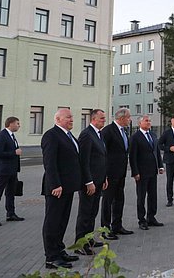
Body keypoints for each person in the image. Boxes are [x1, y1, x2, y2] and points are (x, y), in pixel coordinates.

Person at [41, 108, 82, 269]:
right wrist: (55, 184)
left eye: (72, 117)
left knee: (62, 221)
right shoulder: (51, 135)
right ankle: (51, 257)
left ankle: (59, 250)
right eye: (68, 117)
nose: (72, 119)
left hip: (68, 187)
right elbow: (49, 163)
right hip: (57, 188)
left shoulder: (69, 136)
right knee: (53, 222)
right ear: (58, 119)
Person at [74, 109, 108, 255]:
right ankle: (81, 244)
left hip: (99, 180)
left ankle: (89, 239)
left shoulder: (98, 135)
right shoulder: (87, 135)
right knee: (85, 213)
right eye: (101, 118)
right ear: (93, 119)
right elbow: (84, 160)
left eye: (104, 118)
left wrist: (104, 177)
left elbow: (101, 158)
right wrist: (89, 181)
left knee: (93, 212)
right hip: (90, 182)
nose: (104, 121)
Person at [101, 108, 133, 238]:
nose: (130, 120)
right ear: (121, 118)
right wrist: (105, 175)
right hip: (110, 173)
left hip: (121, 173)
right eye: (128, 117)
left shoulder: (124, 131)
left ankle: (117, 226)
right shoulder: (108, 131)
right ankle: (105, 229)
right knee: (107, 202)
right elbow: (103, 153)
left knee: (119, 200)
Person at [129, 115, 164, 230]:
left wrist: (160, 165)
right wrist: (135, 172)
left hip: (153, 171)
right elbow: (132, 156)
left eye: (149, 121)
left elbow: (157, 151)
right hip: (141, 172)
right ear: (140, 123)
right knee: (141, 196)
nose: (149, 122)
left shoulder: (153, 135)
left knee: (153, 195)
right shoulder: (135, 137)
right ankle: (141, 220)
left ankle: (151, 217)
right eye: (146, 121)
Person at [0, 116, 24, 226]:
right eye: (17, 123)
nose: (19, 126)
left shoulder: (12, 136)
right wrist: (14, 153)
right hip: (3, 170)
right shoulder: (2, 136)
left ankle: (11, 214)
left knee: (10, 193)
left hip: (12, 170)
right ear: (10, 124)